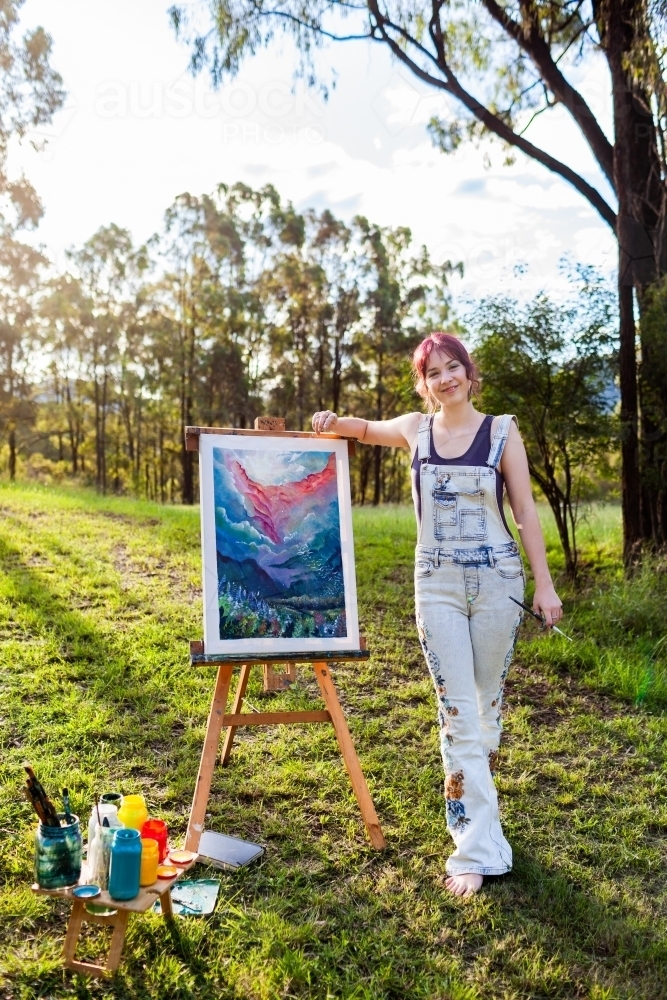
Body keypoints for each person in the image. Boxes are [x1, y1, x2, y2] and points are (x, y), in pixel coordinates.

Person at [312, 331, 563, 898]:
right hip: (437, 588)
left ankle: (482, 819)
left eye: (454, 367)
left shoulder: (502, 431)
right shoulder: (413, 430)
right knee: (456, 715)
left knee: (485, 710)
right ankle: (472, 850)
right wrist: (332, 419)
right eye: (434, 372)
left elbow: (524, 512)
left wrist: (544, 586)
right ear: (423, 384)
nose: (445, 378)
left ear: (470, 374)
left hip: (499, 584)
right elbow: (361, 429)